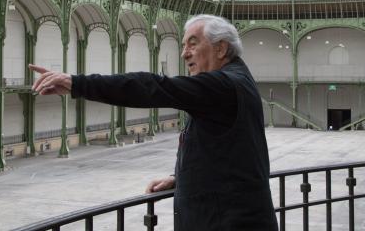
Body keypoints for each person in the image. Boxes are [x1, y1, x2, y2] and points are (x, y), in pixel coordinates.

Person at [30, 14, 278, 231]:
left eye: (193, 44)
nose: (184, 53)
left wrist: (78, 83)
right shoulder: (236, 81)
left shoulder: (224, 85)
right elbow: (231, 154)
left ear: (221, 49)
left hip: (227, 223)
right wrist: (182, 176)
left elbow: (152, 87)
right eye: (183, 45)